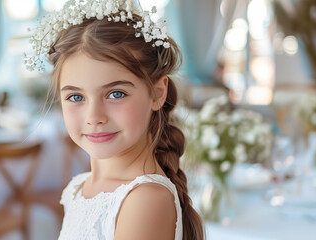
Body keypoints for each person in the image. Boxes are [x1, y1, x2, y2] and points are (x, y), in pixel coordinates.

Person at [26, 0, 204, 239]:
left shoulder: (145, 199)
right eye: (76, 96)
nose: (94, 117)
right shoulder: (80, 186)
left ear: (157, 93)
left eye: (115, 94)